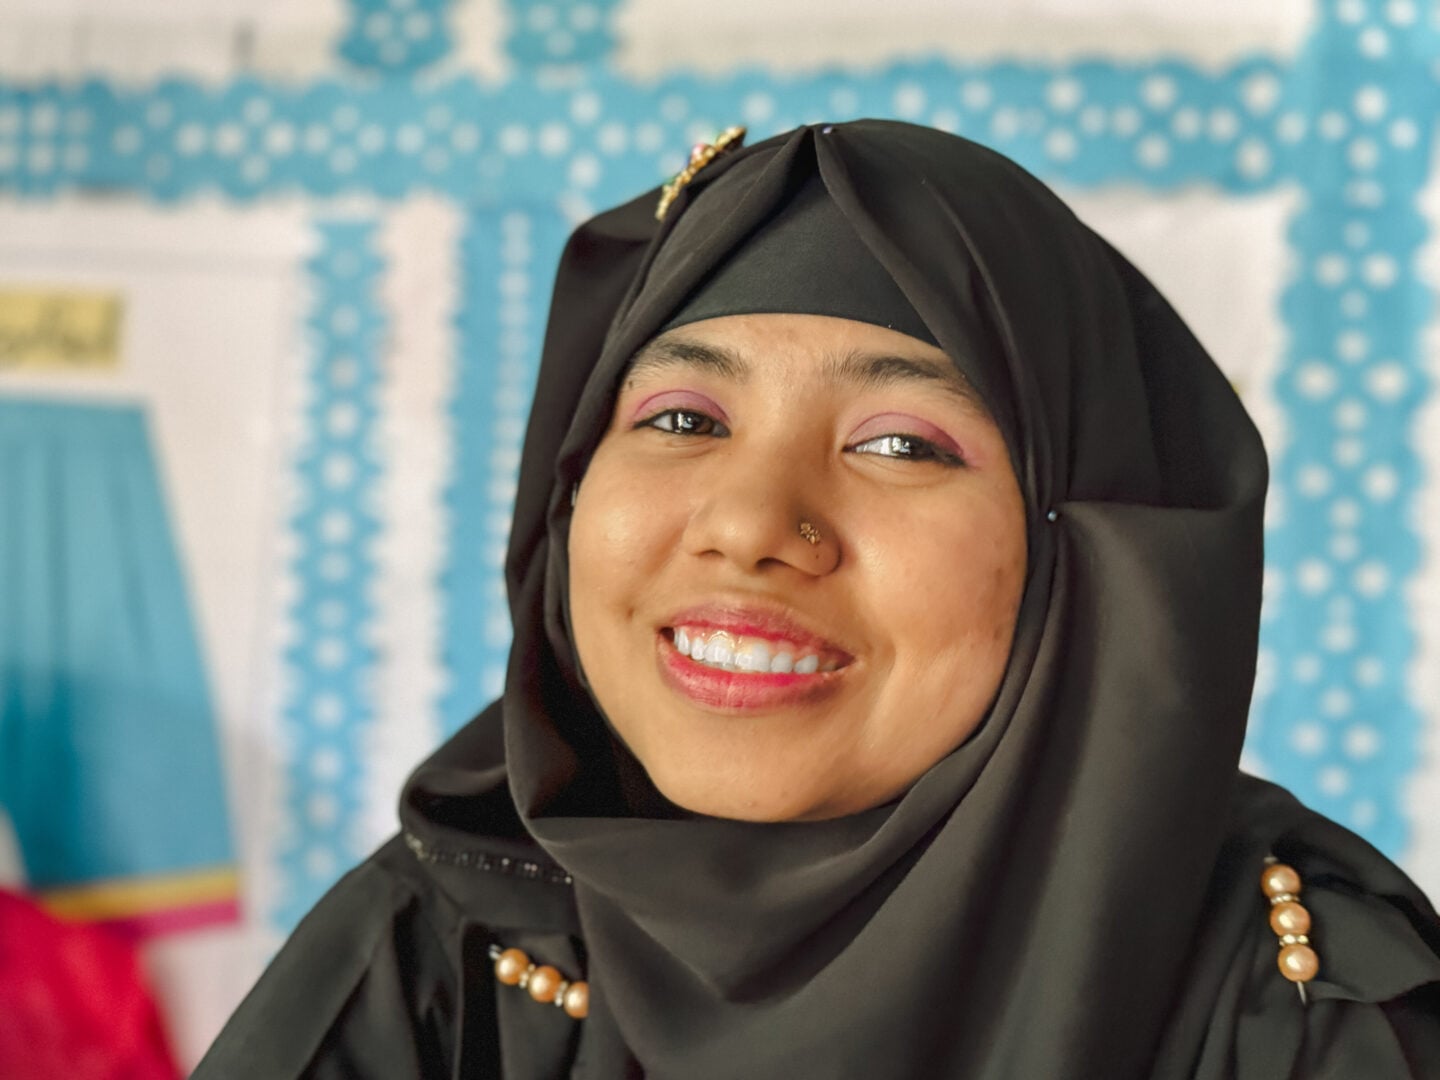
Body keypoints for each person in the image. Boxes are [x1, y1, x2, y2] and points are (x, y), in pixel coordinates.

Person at [194, 119, 1440, 1078]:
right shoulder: (455, 947)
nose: (746, 527)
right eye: (681, 418)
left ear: (1099, 563)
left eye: (902, 444)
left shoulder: (1299, 999)